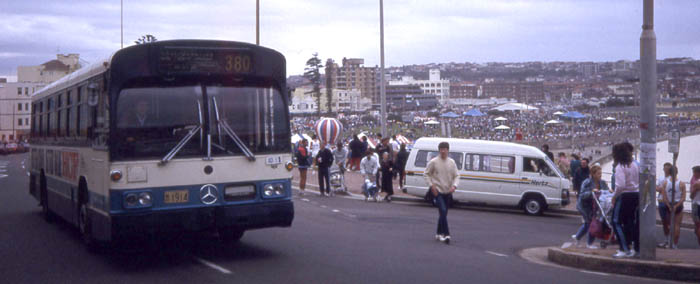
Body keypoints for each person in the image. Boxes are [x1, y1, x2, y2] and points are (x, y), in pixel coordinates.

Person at [424, 142, 459, 244]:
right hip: (437, 191)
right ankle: (446, 234)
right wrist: (431, 186)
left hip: (447, 191)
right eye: (441, 149)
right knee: (443, 210)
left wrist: (454, 186)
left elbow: (457, 175)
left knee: (443, 213)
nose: (443, 151)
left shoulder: (451, 162)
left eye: (445, 149)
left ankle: (438, 233)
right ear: (439, 150)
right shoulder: (434, 162)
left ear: (448, 150)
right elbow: (426, 174)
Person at [610, 143, 640, 258]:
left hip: (625, 196)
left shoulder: (619, 167)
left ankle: (624, 248)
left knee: (616, 221)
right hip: (636, 194)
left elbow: (620, 186)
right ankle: (632, 246)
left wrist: (614, 197)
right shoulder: (635, 165)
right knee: (630, 222)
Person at [571, 165, 608, 249]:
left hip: (595, 206)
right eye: (598, 173)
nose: (600, 175)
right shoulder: (587, 182)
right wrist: (591, 192)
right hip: (585, 206)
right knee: (591, 223)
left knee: (588, 223)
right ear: (593, 174)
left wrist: (609, 191)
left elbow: (605, 191)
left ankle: (577, 237)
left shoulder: (602, 182)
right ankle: (589, 243)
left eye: (601, 173)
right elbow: (582, 195)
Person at [659, 166, 686, 249]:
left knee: (669, 224)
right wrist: (676, 206)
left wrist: (669, 206)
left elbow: (664, 197)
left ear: (669, 173)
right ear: (677, 172)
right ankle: (675, 244)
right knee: (677, 225)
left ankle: (668, 241)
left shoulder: (665, 183)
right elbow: (683, 198)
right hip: (678, 204)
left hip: (669, 204)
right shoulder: (682, 183)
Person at [656, 162, 672, 248]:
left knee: (669, 221)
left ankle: (670, 241)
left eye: (667, 168)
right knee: (664, 222)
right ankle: (666, 240)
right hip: (661, 200)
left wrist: (662, 189)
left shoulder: (672, 178)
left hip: (668, 201)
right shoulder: (661, 178)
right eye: (665, 168)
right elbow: (657, 188)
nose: (666, 170)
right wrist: (661, 189)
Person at [690, 166, 700, 246]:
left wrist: (694, 190)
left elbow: (692, 196)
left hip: (696, 204)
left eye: (694, 172)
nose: (693, 174)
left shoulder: (697, 183)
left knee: (698, 225)